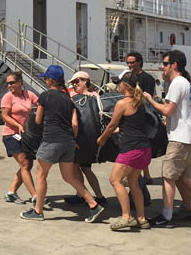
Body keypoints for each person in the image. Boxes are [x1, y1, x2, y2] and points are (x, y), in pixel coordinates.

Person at [143, 50, 191, 229]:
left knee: (168, 177)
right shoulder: (185, 83)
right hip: (189, 137)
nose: (162, 66)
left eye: (165, 63)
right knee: (187, 176)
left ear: (174, 65)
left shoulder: (177, 83)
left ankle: (167, 216)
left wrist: (150, 100)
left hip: (180, 138)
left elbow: (167, 110)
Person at [20, 65, 104, 222]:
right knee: (69, 177)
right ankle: (93, 204)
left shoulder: (45, 96)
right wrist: (73, 140)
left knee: (40, 175)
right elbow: (75, 124)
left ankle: (37, 211)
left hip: (51, 140)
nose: (45, 80)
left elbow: (38, 120)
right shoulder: (69, 99)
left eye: (46, 78)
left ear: (51, 80)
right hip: (68, 142)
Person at [97, 71, 151, 230]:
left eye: (119, 83)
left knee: (115, 180)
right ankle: (141, 218)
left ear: (124, 86)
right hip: (144, 149)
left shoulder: (122, 103)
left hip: (131, 149)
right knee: (134, 182)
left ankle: (126, 217)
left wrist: (102, 138)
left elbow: (112, 125)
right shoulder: (139, 101)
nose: (117, 85)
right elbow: (132, 124)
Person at [65, 71, 109, 209]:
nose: (74, 85)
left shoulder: (91, 97)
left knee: (78, 167)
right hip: (87, 138)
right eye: (73, 83)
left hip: (83, 139)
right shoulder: (92, 97)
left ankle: (85, 195)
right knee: (83, 168)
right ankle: (96, 196)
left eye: (77, 81)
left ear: (85, 81)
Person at [1, 71, 38, 204]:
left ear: (20, 82)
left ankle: (11, 193)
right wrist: (18, 125)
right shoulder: (7, 97)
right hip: (11, 134)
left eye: (12, 83)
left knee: (28, 164)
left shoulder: (29, 94)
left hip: (25, 135)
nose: (10, 85)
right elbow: (5, 116)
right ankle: (35, 195)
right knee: (25, 163)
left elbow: (41, 106)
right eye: (8, 83)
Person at [126, 52, 156, 190]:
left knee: (139, 146)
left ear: (139, 62)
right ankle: (146, 174)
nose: (129, 65)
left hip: (142, 114)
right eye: (128, 62)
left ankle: (144, 174)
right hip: (130, 113)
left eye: (132, 62)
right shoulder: (127, 76)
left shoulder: (147, 78)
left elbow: (147, 97)